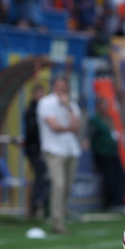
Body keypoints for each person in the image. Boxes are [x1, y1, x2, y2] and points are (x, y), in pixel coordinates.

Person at [37, 75, 81, 234]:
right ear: (54, 87)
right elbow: (53, 126)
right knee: (59, 184)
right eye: (59, 87)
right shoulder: (46, 103)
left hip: (71, 149)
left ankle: (61, 215)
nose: (61, 91)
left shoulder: (72, 105)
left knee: (67, 187)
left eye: (64, 88)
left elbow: (76, 126)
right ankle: (57, 222)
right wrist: (68, 127)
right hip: (53, 149)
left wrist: (68, 107)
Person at [88, 99, 125, 211]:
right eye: (102, 106)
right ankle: (110, 203)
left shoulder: (110, 119)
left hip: (113, 152)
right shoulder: (95, 120)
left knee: (121, 176)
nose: (105, 108)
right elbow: (91, 136)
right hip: (103, 153)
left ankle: (119, 202)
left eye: (106, 106)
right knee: (109, 178)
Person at [22, 84, 49, 219]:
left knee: (43, 177)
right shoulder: (31, 111)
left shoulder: (44, 109)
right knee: (40, 177)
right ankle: (35, 204)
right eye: (38, 94)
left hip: (43, 149)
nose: (41, 97)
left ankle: (39, 204)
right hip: (35, 149)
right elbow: (32, 133)